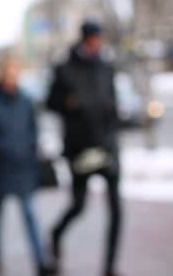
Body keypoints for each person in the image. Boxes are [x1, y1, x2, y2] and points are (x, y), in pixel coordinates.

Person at [47, 21, 122, 276]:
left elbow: (113, 100)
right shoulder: (65, 68)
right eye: (94, 39)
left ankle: (110, 267)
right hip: (81, 149)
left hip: (107, 145)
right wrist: (68, 103)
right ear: (85, 40)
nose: (98, 43)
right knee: (79, 206)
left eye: (100, 39)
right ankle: (55, 234)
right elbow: (50, 102)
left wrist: (113, 117)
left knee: (116, 210)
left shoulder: (105, 66)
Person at [0, 55, 54, 276]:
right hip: (0, 170)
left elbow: (34, 129)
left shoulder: (25, 100)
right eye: (8, 73)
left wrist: (29, 146)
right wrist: (3, 146)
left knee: (30, 215)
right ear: (1, 74)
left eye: (15, 73)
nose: (12, 78)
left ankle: (40, 260)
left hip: (23, 168)